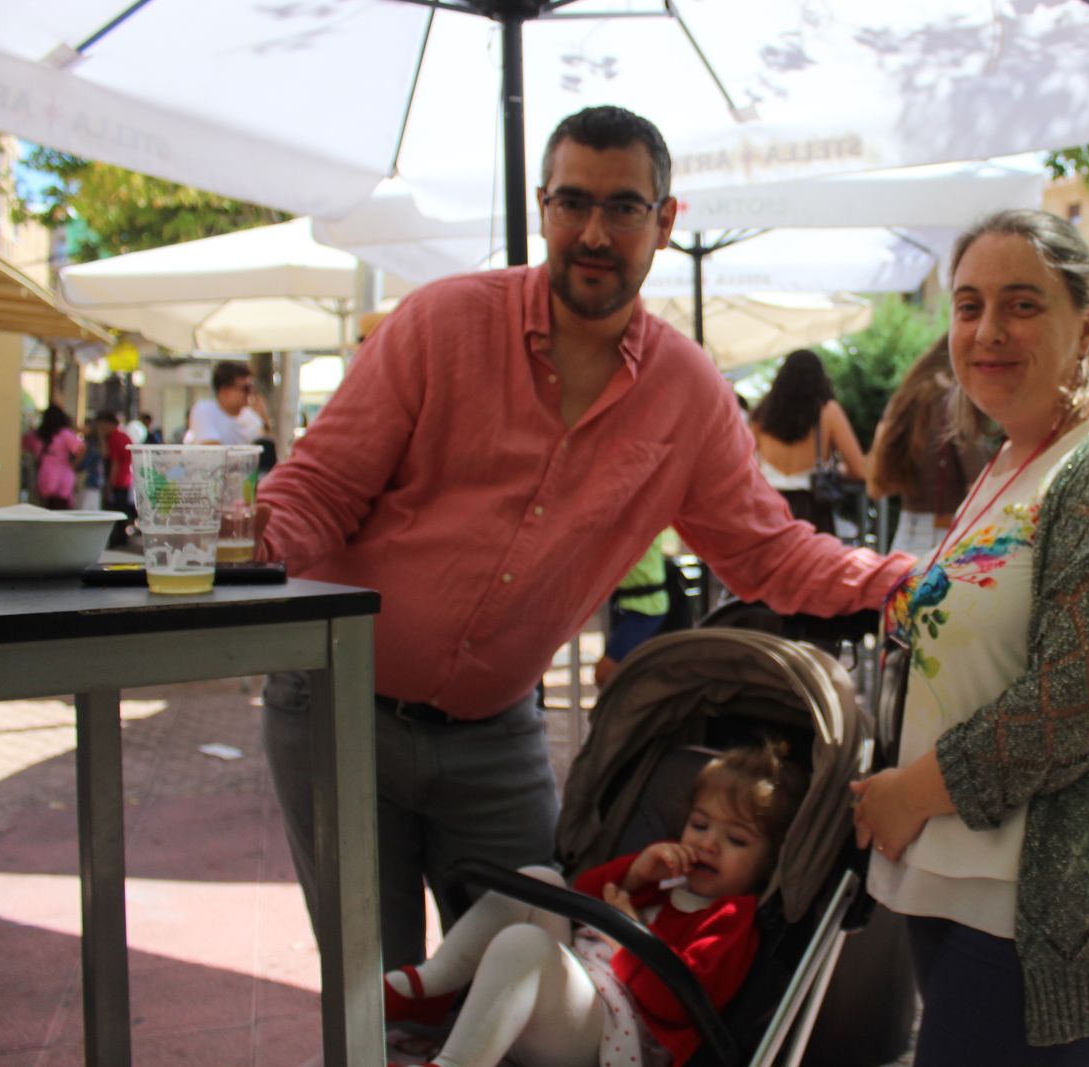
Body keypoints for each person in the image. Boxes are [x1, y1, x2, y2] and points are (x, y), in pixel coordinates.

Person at [253, 105, 914, 971]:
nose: (594, 232)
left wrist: (902, 579)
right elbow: (321, 491)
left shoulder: (686, 390)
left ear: (666, 221)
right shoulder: (438, 323)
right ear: (541, 208)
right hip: (337, 711)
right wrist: (244, 542)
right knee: (369, 994)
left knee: (542, 962)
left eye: (624, 207)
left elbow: (768, 551)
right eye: (573, 203)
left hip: (496, 729)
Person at [849, 209, 1089, 1066]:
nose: (987, 331)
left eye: (1021, 304)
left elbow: (1073, 704)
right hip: (962, 879)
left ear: (1086, 325)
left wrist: (908, 794)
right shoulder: (1015, 456)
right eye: (968, 305)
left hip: (1055, 911)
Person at [380, 743, 804, 1067]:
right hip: (580, 996)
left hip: (614, 1036)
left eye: (736, 840)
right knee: (539, 880)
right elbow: (581, 896)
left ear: (770, 862)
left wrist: (630, 933)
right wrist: (636, 874)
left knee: (525, 945)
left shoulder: (733, 921)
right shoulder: (665, 883)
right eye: (699, 824)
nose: (708, 843)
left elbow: (679, 1002)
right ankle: (432, 985)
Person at [865, 337, 989, 556]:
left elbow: (875, 486)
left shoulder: (902, 400)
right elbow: (978, 487)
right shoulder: (955, 400)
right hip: (946, 539)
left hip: (902, 539)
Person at [748, 349, 868, 537]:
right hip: (812, 514)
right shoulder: (828, 412)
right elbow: (859, 469)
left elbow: (745, 464)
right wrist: (839, 470)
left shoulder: (761, 415)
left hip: (766, 511)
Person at [595, 530, 676, 688]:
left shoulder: (641, 519)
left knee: (606, 672)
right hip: (628, 604)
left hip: (645, 607)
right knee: (631, 671)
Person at [186, 361, 267, 445]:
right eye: (246, 389)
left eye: (252, 388)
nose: (250, 393)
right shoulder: (204, 410)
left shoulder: (252, 417)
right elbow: (213, 451)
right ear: (225, 391)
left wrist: (265, 420)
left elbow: (267, 450)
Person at [26, 404, 83, 510]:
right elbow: (81, 448)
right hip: (61, 477)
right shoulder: (64, 434)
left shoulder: (39, 435)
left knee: (47, 508)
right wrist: (73, 465)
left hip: (45, 476)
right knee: (60, 509)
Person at [96, 411, 135, 545]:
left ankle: (117, 539)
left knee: (116, 511)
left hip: (118, 479)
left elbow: (114, 462)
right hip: (126, 478)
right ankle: (121, 538)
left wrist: (110, 483)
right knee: (122, 510)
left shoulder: (114, 437)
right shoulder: (124, 436)